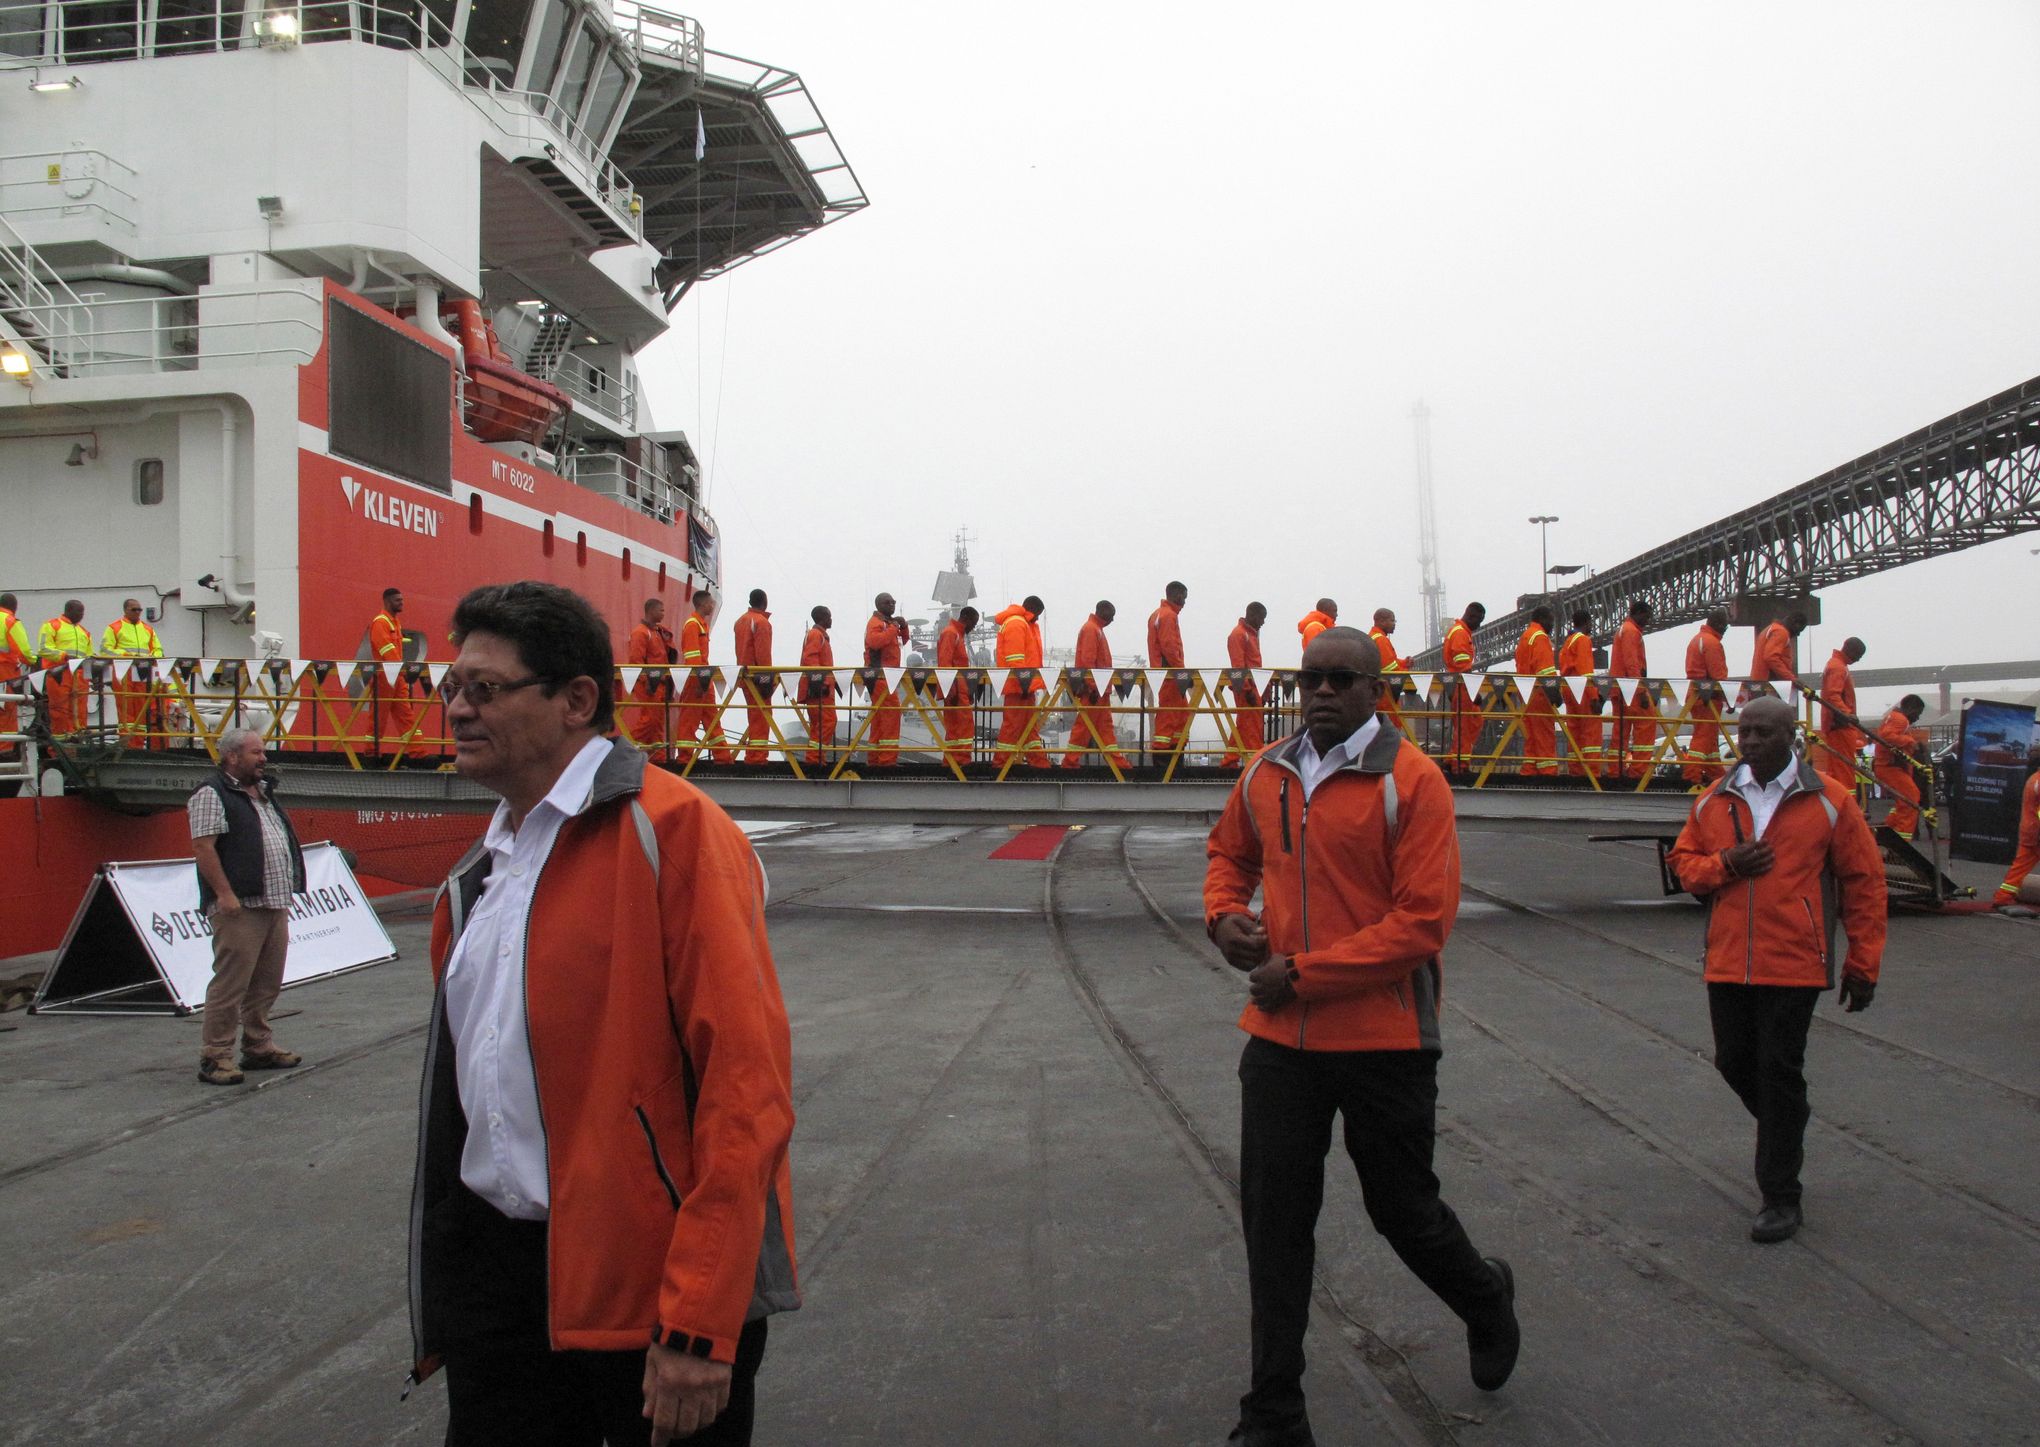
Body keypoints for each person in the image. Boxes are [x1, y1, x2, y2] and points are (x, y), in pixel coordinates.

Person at [413, 581, 798, 1446]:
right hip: (503, 1293)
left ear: (576, 699)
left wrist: (700, 1319)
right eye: (452, 687)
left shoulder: (679, 832)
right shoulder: (482, 872)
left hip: (647, 1298)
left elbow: (747, 1090)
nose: (458, 711)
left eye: (485, 689)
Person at [1205, 626, 1520, 1445]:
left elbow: (1421, 925)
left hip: (1385, 1042)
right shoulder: (1266, 772)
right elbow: (1225, 853)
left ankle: (1486, 1297)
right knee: (1274, 1228)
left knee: (1403, 1212)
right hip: (1281, 1043)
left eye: (1342, 679)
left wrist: (1301, 973)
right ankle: (1274, 1410)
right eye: (1310, 677)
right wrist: (1222, 916)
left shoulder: (1413, 785)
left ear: (1376, 692)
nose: (1322, 691)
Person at [1667, 696, 1885, 1243]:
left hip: (1794, 964)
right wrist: (1726, 865)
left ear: (1793, 736)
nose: (1751, 741)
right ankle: (1788, 1121)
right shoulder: (1715, 799)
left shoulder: (1831, 801)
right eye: (1744, 731)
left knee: (1776, 1069)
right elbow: (1683, 866)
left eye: (1764, 732)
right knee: (1734, 1063)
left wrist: (1864, 963)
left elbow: (1864, 883)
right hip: (1726, 962)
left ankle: (1780, 1197)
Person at [188, 726, 308, 1086]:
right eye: (256, 753)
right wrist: (225, 894)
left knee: (266, 982)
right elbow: (203, 848)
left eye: (263, 752)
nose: (264, 758)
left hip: (273, 901)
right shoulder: (211, 793)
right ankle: (215, 1056)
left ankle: (258, 1046)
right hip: (241, 905)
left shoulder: (263, 792)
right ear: (232, 756)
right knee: (231, 982)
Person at [676, 590, 735, 764]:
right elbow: (693, 656)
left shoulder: (701, 624)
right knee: (690, 719)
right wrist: (700, 680)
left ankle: (722, 756)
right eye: (710, 602)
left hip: (704, 678)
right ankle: (685, 758)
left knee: (712, 717)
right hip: (697, 678)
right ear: (702, 604)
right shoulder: (693, 625)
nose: (712, 605)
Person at [1063, 602, 1123, 769]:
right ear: (1103, 611)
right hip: (1095, 691)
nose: (1113, 618)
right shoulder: (1092, 629)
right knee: (1084, 727)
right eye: (1112, 614)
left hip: (1100, 690)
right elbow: (1088, 661)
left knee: (1105, 729)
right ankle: (1070, 762)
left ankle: (1117, 762)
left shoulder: (1096, 629)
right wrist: (1092, 687)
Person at [99, 596, 165, 748]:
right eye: (134, 609)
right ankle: (128, 744)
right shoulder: (114, 627)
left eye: (139, 609)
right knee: (126, 709)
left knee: (141, 708)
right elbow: (105, 649)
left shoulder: (148, 629)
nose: (138, 612)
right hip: (123, 672)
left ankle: (139, 744)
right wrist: (126, 655)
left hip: (142, 672)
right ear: (125, 610)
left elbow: (158, 649)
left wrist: (151, 657)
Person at [993, 596, 1051, 768]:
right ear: (1031, 609)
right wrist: (1024, 683)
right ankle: (1001, 765)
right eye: (1038, 614)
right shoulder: (1017, 624)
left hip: (1024, 686)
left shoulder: (1022, 624)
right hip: (1018, 687)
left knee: (1029, 727)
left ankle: (1038, 761)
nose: (1038, 618)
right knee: (1013, 727)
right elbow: (1015, 659)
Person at [369, 588, 425, 759]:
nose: (401, 603)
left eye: (402, 599)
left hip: (396, 676)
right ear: (387, 601)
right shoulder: (380, 622)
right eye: (397, 600)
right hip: (385, 676)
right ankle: (371, 753)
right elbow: (387, 649)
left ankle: (417, 753)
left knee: (406, 715)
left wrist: (401, 672)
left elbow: (393, 651)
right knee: (379, 716)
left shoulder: (394, 623)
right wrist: (401, 670)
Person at [1681, 609, 1731, 786]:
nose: (1726, 627)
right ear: (1717, 623)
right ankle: (1691, 776)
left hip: (1697, 696)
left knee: (1710, 743)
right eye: (1725, 624)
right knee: (1703, 739)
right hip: (1708, 698)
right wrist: (1729, 700)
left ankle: (1716, 776)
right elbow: (1719, 677)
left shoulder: (1696, 640)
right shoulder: (1712, 643)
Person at [623, 597, 677, 756]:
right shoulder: (641, 632)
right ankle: (628, 748)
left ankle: (657, 757)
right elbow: (636, 660)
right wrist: (647, 682)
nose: (663, 614)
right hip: (648, 684)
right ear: (651, 611)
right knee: (650, 719)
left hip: (659, 683)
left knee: (658, 722)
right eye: (661, 610)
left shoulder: (657, 632)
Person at [1872, 695, 1930, 841]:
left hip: (1887, 766)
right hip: (1890, 767)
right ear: (1911, 708)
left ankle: (1887, 830)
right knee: (1911, 799)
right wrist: (1910, 741)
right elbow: (1886, 736)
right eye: (1918, 713)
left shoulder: (1893, 716)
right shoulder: (1900, 719)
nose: (1917, 718)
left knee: (1904, 802)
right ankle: (1900, 841)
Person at [863, 592, 909, 767]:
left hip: (888, 677)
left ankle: (875, 758)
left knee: (880, 718)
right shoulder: (876, 624)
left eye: (893, 602)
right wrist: (893, 627)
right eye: (887, 602)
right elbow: (875, 642)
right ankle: (887, 760)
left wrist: (903, 627)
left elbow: (902, 641)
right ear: (878, 605)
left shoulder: (889, 625)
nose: (892, 605)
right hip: (880, 676)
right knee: (891, 715)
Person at [1610, 599, 1655, 780]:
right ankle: (1639, 771)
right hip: (1630, 689)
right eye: (1647, 616)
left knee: (1620, 732)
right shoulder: (1631, 632)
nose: (1648, 620)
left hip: (1620, 689)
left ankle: (1615, 771)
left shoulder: (1624, 630)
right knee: (1647, 723)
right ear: (1639, 613)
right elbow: (1632, 663)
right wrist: (1641, 691)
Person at [1513, 605, 1559, 778]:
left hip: (1526, 694)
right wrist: (1555, 694)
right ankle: (1548, 773)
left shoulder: (1525, 637)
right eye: (1551, 621)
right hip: (1540, 695)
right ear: (1543, 619)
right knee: (1545, 737)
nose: (1552, 625)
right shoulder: (1540, 637)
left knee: (1532, 738)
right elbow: (1545, 671)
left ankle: (1529, 771)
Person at [36, 598, 93, 737]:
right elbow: (43, 649)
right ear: (68, 610)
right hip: (59, 675)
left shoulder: (84, 632)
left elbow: (89, 656)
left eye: (83, 611)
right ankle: (61, 747)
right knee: (60, 711)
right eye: (79, 611)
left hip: (80, 677)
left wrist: (91, 675)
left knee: (80, 712)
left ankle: (78, 743)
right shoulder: (52, 625)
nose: (82, 614)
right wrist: (64, 656)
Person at [1815, 638, 1867, 787]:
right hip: (1840, 725)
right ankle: (1846, 805)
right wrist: (1847, 713)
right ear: (1852, 651)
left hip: (1837, 724)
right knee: (1844, 770)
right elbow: (1833, 695)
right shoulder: (1838, 668)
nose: (1858, 659)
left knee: (1836, 769)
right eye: (1859, 655)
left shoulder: (1835, 665)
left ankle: (1838, 803)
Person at [1148, 582, 1191, 761]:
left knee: (1180, 714)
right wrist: (1181, 674)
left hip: (1168, 674)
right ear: (1178, 595)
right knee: (1169, 715)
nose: (1185, 602)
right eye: (1184, 597)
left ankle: (1174, 753)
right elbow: (1170, 647)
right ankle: (1164, 758)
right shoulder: (1168, 615)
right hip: (1171, 675)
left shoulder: (1158, 615)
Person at [731, 590, 775, 765]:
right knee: (762, 717)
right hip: (757, 678)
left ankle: (753, 755)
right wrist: (766, 678)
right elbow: (763, 653)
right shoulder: (761, 622)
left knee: (753, 715)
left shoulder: (740, 621)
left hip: (744, 675)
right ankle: (756, 757)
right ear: (764, 602)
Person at [1441, 602, 1484, 772]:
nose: (1479, 625)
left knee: (1472, 721)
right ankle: (1460, 764)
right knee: (1466, 725)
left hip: (1460, 685)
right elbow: (1462, 664)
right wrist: (1474, 690)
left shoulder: (1460, 632)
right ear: (1471, 615)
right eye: (1479, 620)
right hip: (1463, 685)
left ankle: (1454, 758)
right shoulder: (1460, 633)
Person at [1223, 602, 1268, 767]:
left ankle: (1230, 760)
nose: (1263, 622)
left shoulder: (1250, 634)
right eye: (1262, 618)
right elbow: (1238, 666)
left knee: (1244, 723)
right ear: (1253, 615)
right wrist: (1247, 690)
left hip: (1253, 686)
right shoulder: (1239, 634)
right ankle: (1255, 763)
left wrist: (1265, 687)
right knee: (1251, 725)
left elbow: (1254, 664)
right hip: (1245, 687)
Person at [1558, 610, 1601, 779]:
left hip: (1569, 688)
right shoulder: (1583, 640)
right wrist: (1594, 697)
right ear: (1588, 623)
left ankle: (1575, 771)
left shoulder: (1568, 642)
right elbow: (1586, 672)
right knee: (1591, 731)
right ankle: (1592, 773)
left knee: (1574, 730)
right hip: (1582, 689)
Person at [1995, 747, 2040, 907]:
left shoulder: (2033, 778)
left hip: (2029, 830)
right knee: (2021, 866)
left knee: (2020, 867)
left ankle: (2003, 895)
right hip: (2036, 830)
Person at [938, 606, 980, 766]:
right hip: (955, 688)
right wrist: (951, 690)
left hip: (958, 688)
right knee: (963, 726)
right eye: (974, 623)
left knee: (956, 728)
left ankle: (951, 761)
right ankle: (961, 761)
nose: (974, 627)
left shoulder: (956, 634)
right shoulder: (951, 633)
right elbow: (945, 663)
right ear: (967, 619)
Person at [798, 606, 837, 766]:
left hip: (817, 688)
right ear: (822, 617)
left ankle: (816, 758)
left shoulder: (818, 635)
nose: (831, 619)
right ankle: (815, 758)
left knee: (818, 724)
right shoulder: (816, 635)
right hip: (820, 690)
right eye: (829, 616)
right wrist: (821, 682)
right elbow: (810, 658)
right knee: (828, 721)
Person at [0, 592, 33, 747]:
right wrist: (33, 661)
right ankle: (6, 750)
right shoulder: (10, 621)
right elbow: (24, 650)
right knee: (6, 709)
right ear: (14, 607)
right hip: (5, 671)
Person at [1367, 608, 1407, 733]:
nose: (1394, 623)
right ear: (1381, 621)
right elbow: (1391, 669)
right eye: (1392, 620)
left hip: (1379, 693)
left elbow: (1389, 662)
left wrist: (1404, 663)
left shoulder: (1374, 637)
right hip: (1386, 696)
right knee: (1389, 729)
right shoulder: (1380, 640)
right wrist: (1407, 674)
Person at [1751, 611, 1805, 694]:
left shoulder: (1770, 629)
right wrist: (1792, 679)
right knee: (1776, 707)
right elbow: (1771, 657)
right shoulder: (1781, 632)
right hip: (1770, 686)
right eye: (1799, 630)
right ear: (1794, 623)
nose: (1798, 634)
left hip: (1758, 685)